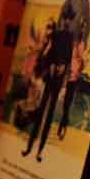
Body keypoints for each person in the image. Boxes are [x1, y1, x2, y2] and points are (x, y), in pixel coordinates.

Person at [22, 19, 67, 163]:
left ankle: (39, 152)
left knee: (48, 119)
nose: (49, 31)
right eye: (48, 27)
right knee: (39, 116)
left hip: (55, 84)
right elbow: (40, 65)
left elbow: (62, 64)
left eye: (51, 27)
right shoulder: (44, 46)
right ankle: (29, 148)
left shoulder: (57, 45)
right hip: (45, 84)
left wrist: (58, 69)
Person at [56, 0, 90, 140]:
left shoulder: (85, 3)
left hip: (76, 47)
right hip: (64, 45)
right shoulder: (67, 2)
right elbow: (59, 23)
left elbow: (88, 23)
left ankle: (64, 119)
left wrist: (83, 43)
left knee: (71, 83)